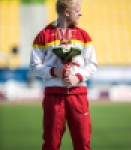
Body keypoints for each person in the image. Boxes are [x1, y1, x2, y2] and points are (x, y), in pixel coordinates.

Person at [30, 0, 97, 150]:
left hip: (78, 95)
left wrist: (77, 77)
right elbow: (34, 67)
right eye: (77, 10)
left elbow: (92, 65)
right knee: (51, 144)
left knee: (83, 143)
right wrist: (55, 72)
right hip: (54, 97)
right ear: (66, 12)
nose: (80, 13)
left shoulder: (83, 35)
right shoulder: (43, 35)